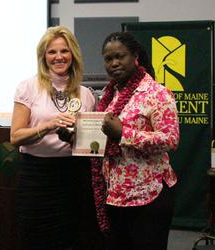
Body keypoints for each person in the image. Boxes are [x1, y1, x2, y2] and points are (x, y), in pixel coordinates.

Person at [91, 32, 180, 250]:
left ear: (135, 56)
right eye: (108, 59)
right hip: (115, 196)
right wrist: (77, 137)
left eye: (120, 56)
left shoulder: (157, 93)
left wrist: (124, 133)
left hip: (149, 196)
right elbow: (102, 137)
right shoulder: (108, 95)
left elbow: (170, 139)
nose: (114, 63)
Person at [10, 26, 96, 250]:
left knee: (73, 238)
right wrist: (48, 125)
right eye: (52, 52)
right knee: (35, 239)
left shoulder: (85, 94)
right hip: (36, 176)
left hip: (73, 174)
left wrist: (73, 139)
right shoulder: (28, 87)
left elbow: (88, 144)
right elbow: (16, 137)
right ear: (43, 57)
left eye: (64, 51)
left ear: (73, 54)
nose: (59, 57)